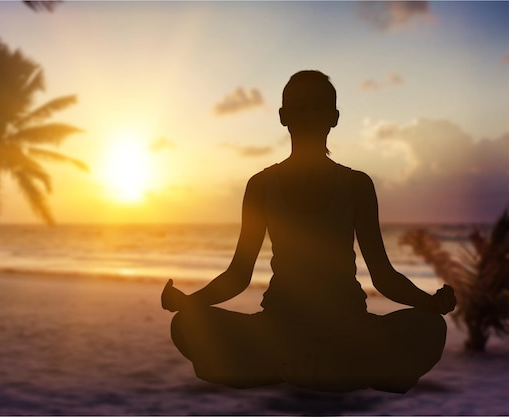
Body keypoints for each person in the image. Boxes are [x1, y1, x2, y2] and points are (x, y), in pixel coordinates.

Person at [161, 70, 456, 393]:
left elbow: (383, 275)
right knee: (186, 326)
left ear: (334, 117)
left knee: (429, 329)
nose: (308, 116)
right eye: (299, 107)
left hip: (349, 326)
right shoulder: (261, 186)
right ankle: (332, 370)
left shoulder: (356, 185)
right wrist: (189, 302)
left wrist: (428, 303)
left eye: (318, 107)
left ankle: (291, 369)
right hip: (278, 326)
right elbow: (238, 275)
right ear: (284, 116)